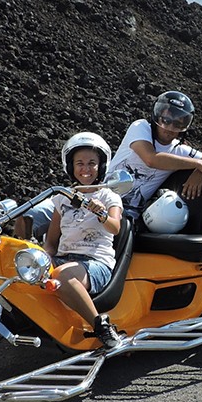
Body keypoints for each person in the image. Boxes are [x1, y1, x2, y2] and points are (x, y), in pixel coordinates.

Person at [44, 132, 125, 348]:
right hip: (64, 259)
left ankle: (102, 327)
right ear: (71, 166)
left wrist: (102, 215)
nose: (86, 169)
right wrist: (42, 258)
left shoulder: (109, 196)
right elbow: (51, 242)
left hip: (95, 264)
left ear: (101, 166)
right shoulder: (62, 197)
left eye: (92, 163)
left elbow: (115, 228)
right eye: (80, 163)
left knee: (62, 274)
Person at [107, 90, 202, 223]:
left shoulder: (180, 151)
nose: (169, 128)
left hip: (130, 217)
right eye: (166, 121)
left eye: (177, 124)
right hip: (102, 199)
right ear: (157, 116)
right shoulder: (141, 128)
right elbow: (151, 159)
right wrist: (198, 164)